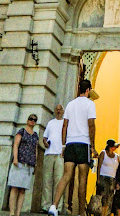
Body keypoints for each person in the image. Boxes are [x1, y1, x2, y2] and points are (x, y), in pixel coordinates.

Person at [48, 80, 98, 216]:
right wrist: (93, 147)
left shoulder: (70, 104)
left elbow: (64, 126)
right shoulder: (90, 104)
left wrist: (64, 145)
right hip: (84, 144)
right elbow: (91, 125)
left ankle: (54, 206)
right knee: (83, 180)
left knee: (66, 176)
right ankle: (81, 213)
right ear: (88, 90)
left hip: (70, 144)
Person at [8, 114, 39, 216]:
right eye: (31, 119)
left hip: (29, 164)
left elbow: (36, 149)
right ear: (27, 120)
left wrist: (35, 163)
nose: (32, 121)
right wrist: (15, 158)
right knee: (14, 188)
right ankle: (12, 212)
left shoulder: (35, 135)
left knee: (22, 190)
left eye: (34, 120)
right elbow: (16, 144)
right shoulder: (21, 131)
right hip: (20, 162)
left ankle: (18, 213)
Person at [41, 104, 65, 214]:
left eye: (60, 110)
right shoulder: (50, 123)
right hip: (49, 153)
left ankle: (58, 207)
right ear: (55, 111)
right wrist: (45, 142)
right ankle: (45, 206)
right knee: (47, 180)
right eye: (57, 109)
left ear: (63, 111)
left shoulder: (66, 123)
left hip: (60, 154)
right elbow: (45, 137)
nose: (58, 111)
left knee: (59, 181)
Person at [97, 139, 120, 216]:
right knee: (103, 198)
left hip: (112, 179)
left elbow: (118, 171)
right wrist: (98, 179)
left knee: (109, 199)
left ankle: (106, 214)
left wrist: (117, 182)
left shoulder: (117, 157)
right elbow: (99, 166)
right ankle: (101, 214)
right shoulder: (103, 153)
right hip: (103, 178)